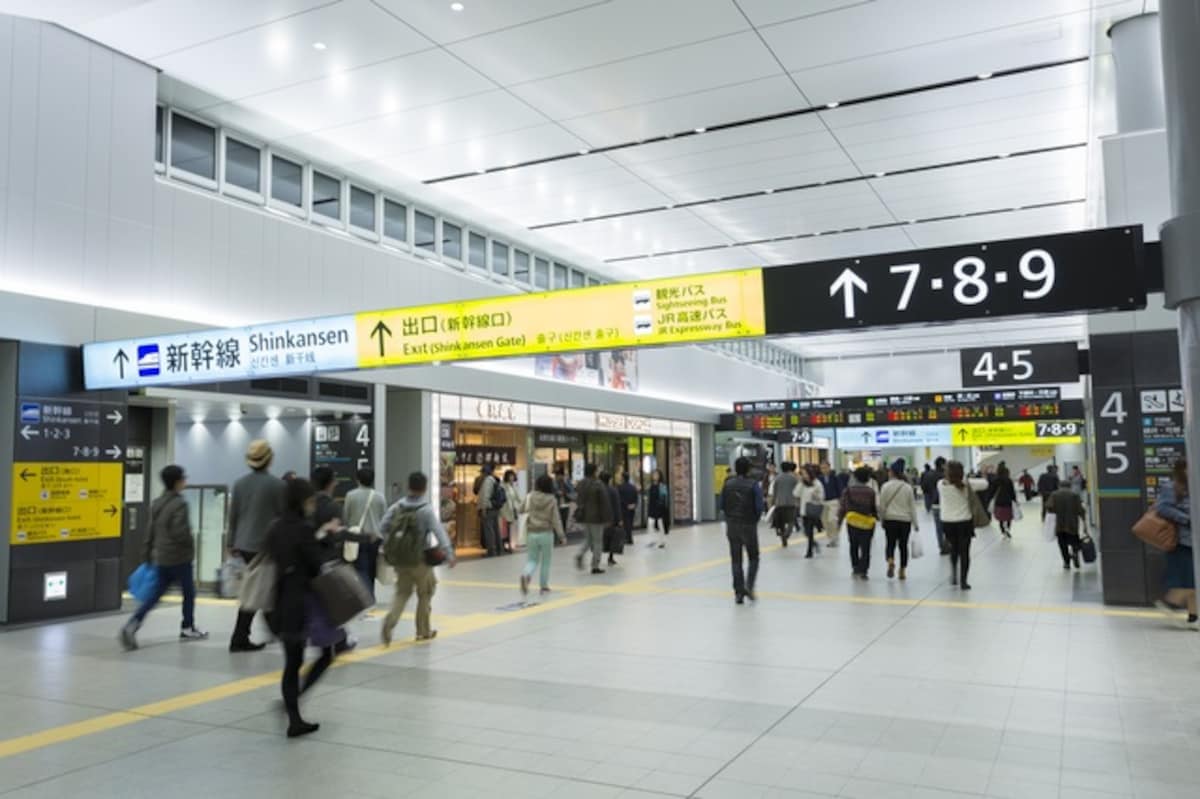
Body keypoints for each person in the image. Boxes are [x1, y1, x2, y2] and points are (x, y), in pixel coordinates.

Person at [265, 478, 337, 738]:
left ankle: (294, 716)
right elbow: (315, 564)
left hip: (281, 601)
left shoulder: (275, 528)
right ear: (302, 501)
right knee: (328, 652)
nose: (311, 506)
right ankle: (294, 711)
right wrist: (325, 539)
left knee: (291, 662)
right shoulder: (303, 529)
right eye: (309, 501)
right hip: (305, 602)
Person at [120, 465, 208, 649]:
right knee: (189, 593)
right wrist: (190, 542)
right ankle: (188, 627)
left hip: (161, 557)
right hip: (180, 557)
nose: (185, 481)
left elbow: (150, 530)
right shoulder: (180, 504)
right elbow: (180, 532)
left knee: (154, 596)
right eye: (183, 478)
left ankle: (132, 624)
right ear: (177, 482)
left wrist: (147, 553)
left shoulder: (157, 502)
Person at [380, 471, 456, 644]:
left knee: (402, 593)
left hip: (400, 560)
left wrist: (391, 544)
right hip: (420, 560)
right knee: (425, 593)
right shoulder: (426, 509)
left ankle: (390, 621)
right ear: (425, 488)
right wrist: (449, 554)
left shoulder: (397, 506)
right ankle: (423, 631)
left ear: (408, 486)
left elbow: (383, 526)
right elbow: (439, 532)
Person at [227, 439, 285, 653]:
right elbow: (283, 517)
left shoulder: (240, 484)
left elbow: (233, 516)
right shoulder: (278, 486)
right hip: (267, 546)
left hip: (244, 545)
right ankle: (273, 631)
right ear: (270, 459)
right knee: (266, 589)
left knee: (257, 588)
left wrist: (230, 542)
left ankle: (244, 636)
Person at [1154, 459, 1196, 629]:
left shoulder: (1194, 485)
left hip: (1194, 542)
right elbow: (1162, 508)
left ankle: (1193, 617)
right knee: (1190, 582)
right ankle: (1169, 602)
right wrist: (1186, 519)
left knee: (1192, 581)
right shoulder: (1171, 487)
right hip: (1181, 541)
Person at [939, 461, 989, 590]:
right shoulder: (967, 485)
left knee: (954, 549)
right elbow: (985, 484)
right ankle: (964, 581)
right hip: (964, 522)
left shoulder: (940, 484)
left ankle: (954, 573)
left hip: (947, 522)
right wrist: (981, 474)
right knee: (965, 552)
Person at [720, 456, 764, 604]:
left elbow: (722, 505)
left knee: (736, 560)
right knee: (754, 557)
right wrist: (754, 519)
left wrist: (729, 518)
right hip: (748, 525)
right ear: (748, 469)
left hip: (732, 525)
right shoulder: (753, 485)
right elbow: (759, 507)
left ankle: (738, 593)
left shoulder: (728, 484)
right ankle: (749, 585)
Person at [341, 468, 387, 597]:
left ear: (358, 479)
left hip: (357, 537)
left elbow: (346, 516)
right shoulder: (379, 496)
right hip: (375, 538)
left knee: (361, 569)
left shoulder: (350, 495)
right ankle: (370, 594)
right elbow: (384, 518)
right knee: (372, 569)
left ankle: (366, 597)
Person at [520, 474, 565, 596]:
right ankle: (544, 586)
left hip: (532, 532)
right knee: (546, 561)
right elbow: (556, 519)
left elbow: (521, 509)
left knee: (532, 560)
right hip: (546, 533)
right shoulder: (551, 499)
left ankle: (526, 574)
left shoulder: (530, 496)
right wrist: (561, 535)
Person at [879, 459, 918, 580]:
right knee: (903, 546)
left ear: (891, 472)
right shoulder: (907, 487)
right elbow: (912, 507)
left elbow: (882, 506)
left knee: (890, 544)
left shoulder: (885, 486)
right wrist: (915, 523)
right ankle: (902, 570)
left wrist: (882, 520)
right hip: (905, 521)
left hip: (890, 519)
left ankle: (890, 560)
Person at [839, 466, 879, 580]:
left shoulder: (848, 490)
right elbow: (873, 508)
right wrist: (877, 518)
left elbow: (843, 507)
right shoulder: (870, 492)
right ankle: (864, 570)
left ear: (855, 477)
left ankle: (855, 567)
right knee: (866, 547)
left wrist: (839, 520)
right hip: (867, 523)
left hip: (852, 522)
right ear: (867, 479)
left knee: (853, 545)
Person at [574, 464, 612, 574]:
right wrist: (608, 518)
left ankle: (580, 554)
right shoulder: (598, 484)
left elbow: (578, 500)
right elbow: (604, 503)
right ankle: (595, 565)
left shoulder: (581, 484)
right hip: (597, 518)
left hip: (585, 517)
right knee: (598, 542)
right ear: (594, 472)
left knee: (588, 540)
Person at [1044, 484, 1085, 570]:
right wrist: (1084, 522)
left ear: (1059, 486)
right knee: (1075, 542)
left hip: (1060, 524)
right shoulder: (1074, 495)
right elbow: (1080, 510)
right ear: (1069, 486)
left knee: (1062, 544)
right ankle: (1075, 553)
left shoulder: (1054, 494)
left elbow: (1048, 506)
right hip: (1072, 524)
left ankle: (1066, 562)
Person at [794, 465, 825, 558]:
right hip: (804, 511)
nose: (804, 475)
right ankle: (814, 544)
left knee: (810, 531)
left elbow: (822, 497)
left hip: (813, 510)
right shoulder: (802, 483)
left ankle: (809, 551)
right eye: (802, 474)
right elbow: (796, 493)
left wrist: (815, 495)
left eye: (805, 474)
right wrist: (800, 483)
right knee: (806, 531)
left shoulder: (817, 483)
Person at [477, 463, 503, 557]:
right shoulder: (493, 480)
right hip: (494, 508)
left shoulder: (488, 480)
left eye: (482, 472)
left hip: (488, 508)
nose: (481, 474)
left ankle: (491, 551)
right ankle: (499, 549)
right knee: (495, 529)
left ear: (485, 472)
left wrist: (483, 509)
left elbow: (485, 496)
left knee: (489, 530)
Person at [771, 462, 799, 547]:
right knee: (791, 520)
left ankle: (783, 538)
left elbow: (774, 490)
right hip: (791, 502)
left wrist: (774, 500)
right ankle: (787, 534)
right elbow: (797, 490)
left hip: (779, 503)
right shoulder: (794, 478)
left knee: (781, 522)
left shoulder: (777, 478)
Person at [923, 457, 948, 555]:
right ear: (942, 465)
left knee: (938, 527)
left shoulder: (929, 475)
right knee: (947, 526)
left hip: (935, 504)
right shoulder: (945, 476)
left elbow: (924, 487)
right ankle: (948, 545)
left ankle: (941, 546)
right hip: (945, 504)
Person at [817, 461, 841, 548]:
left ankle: (835, 537)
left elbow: (839, 489)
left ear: (829, 467)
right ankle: (830, 538)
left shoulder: (835, 477)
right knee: (824, 521)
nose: (824, 470)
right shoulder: (819, 479)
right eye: (822, 468)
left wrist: (840, 500)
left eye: (825, 467)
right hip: (823, 502)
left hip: (833, 501)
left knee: (832, 519)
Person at [601, 471, 623, 566]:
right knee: (612, 538)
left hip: (600, 518)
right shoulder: (613, 490)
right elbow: (617, 506)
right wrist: (619, 519)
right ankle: (610, 557)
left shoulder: (598, 490)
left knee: (600, 537)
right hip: (611, 518)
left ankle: (597, 557)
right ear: (609, 480)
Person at [646, 469, 670, 549]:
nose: (655, 476)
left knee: (661, 525)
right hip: (651, 507)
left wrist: (664, 507)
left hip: (660, 508)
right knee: (650, 523)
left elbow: (665, 497)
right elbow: (649, 496)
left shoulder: (662, 486)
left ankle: (662, 541)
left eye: (656, 474)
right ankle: (652, 540)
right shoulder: (651, 485)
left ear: (660, 476)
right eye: (654, 474)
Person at [991, 465, 1017, 539]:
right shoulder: (1009, 480)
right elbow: (1012, 492)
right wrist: (1015, 500)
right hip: (1008, 501)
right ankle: (1007, 529)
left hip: (999, 502)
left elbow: (992, 491)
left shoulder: (995, 480)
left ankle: (1003, 531)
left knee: (1001, 518)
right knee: (1008, 517)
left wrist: (990, 498)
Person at [500, 469, 522, 553]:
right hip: (505, 510)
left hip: (512, 510)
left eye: (513, 476)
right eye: (510, 476)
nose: (512, 478)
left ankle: (509, 545)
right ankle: (505, 545)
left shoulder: (513, 486)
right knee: (505, 529)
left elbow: (517, 497)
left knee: (510, 529)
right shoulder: (503, 486)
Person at [618, 470, 638, 546]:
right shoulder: (633, 487)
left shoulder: (620, 487)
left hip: (624, 509)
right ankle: (629, 538)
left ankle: (627, 538)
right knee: (630, 523)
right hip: (632, 508)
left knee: (626, 524)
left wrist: (626, 505)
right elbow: (636, 497)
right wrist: (634, 504)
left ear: (622, 478)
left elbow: (620, 499)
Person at [553, 465, 574, 538]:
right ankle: (558, 535)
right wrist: (557, 492)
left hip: (565, 503)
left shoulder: (566, 481)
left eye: (559, 475)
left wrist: (566, 482)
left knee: (564, 520)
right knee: (558, 520)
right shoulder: (553, 482)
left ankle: (563, 534)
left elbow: (572, 490)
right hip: (557, 503)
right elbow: (553, 491)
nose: (558, 477)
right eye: (556, 475)